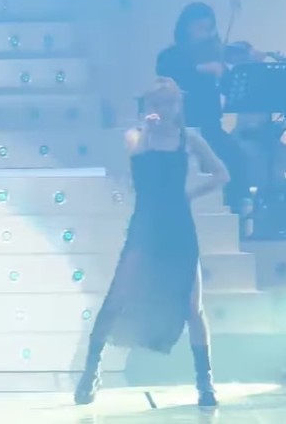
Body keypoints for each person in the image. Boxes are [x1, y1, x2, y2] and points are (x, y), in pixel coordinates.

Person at [74, 78, 229, 408]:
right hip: (146, 227)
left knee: (192, 305)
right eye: (157, 103)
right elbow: (136, 154)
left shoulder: (189, 139)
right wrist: (147, 127)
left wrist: (189, 194)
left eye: (170, 102)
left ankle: (205, 382)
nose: (165, 109)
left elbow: (221, 174)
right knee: (117, 298)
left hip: (178, 227)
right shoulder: (135, 135)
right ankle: (90, 372)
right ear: (146, 107)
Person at [156, 2, 249, 214]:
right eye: (199, 28)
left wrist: (225, 73)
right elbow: (167, 69)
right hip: (181, 128)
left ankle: (236, 208)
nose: (205, 34)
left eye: (209, 28)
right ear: (186, 28)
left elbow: (229, 87)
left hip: (210, 127)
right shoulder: (171, 56)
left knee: (236, 155)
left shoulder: (216, 54)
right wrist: (201, 68)